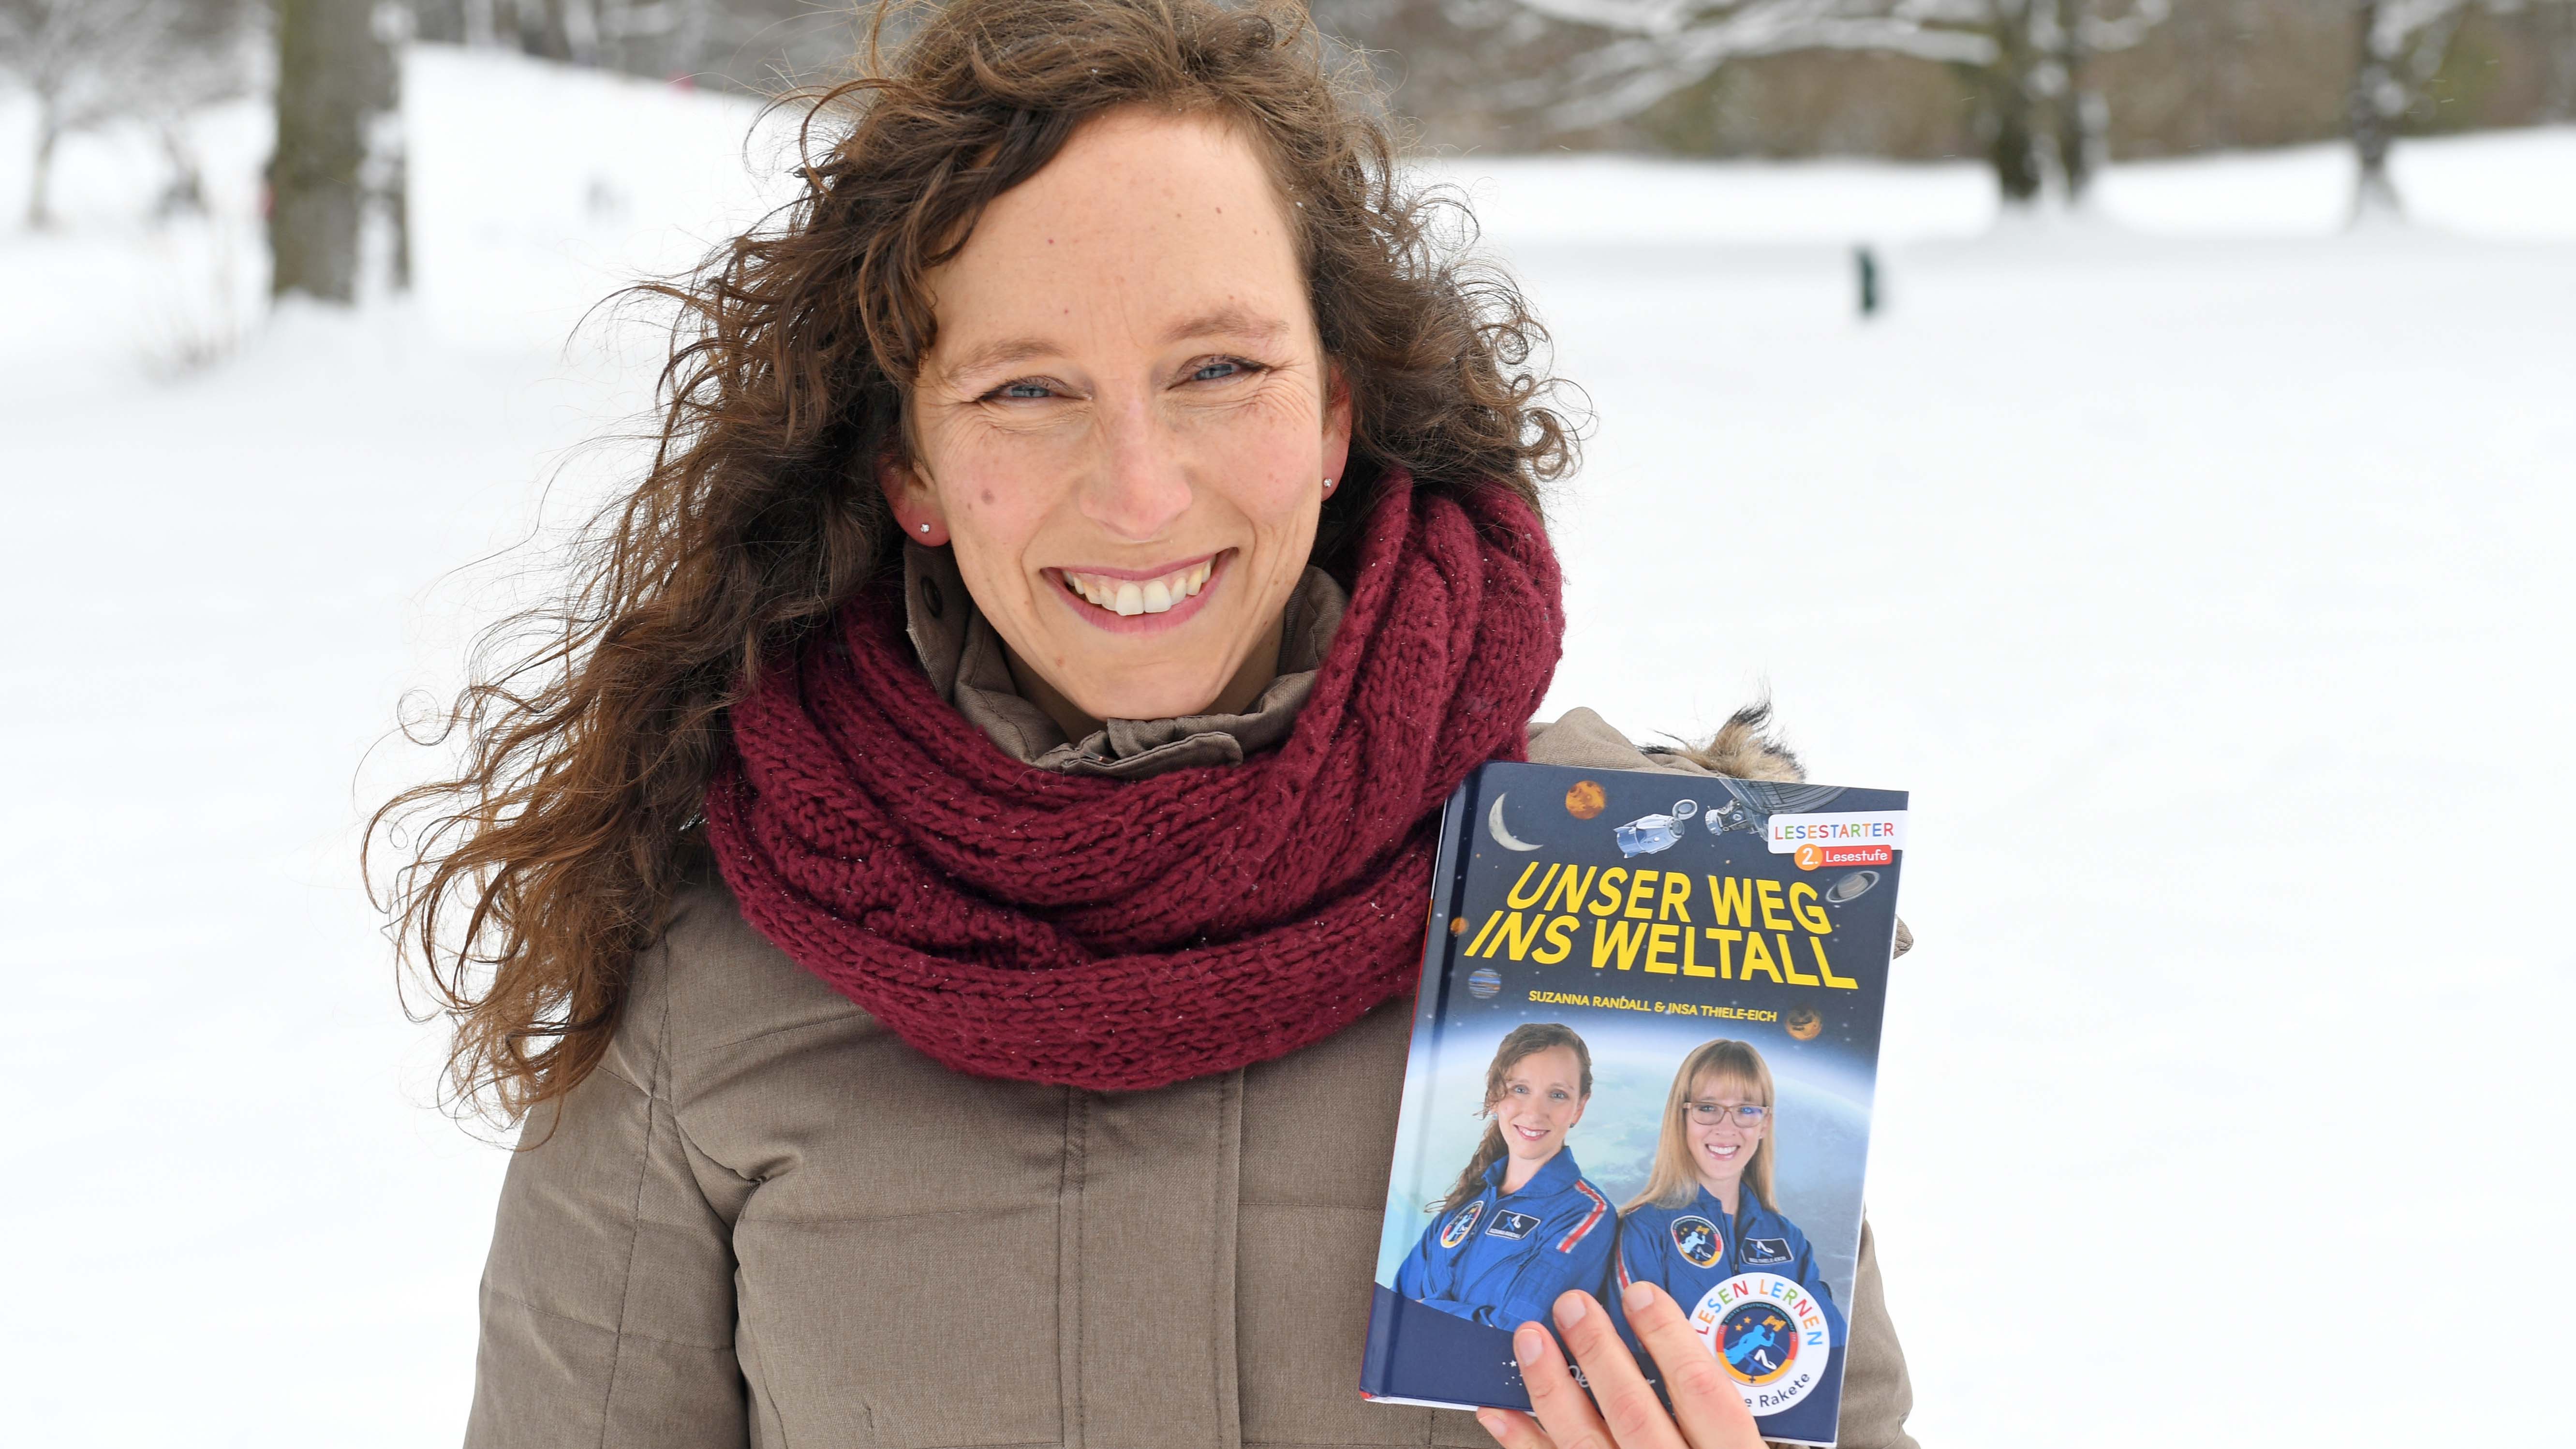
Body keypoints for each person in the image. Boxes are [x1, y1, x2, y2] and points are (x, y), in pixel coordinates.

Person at [372, 1, 1920, 1446]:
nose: (1135, 492)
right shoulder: (721, 973)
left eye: (1217, 369)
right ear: (904, 462)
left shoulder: (1645, 911)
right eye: (1025, 391)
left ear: (1332, 411)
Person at [1607, 1040, 1847, 1358]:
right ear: (1683, 1118)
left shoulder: (1789, 1240)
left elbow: (1827, 1353)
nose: (1726, 1127)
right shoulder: (1645, 1232)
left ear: (1765, 1124)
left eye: (1746, 1110)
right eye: (1708, 1108)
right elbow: (1625, 1362)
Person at [1394, 1024, 1615, 1330]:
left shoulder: (1585, 1213)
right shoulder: (1469, 1200)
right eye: (1520, 1090)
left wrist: (1425, 1311)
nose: (1535, 1112)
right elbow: (1396, 1307)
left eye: (1558, 1095)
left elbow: (1517, 1330)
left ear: (1579, 1108)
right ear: (1496, 1096)